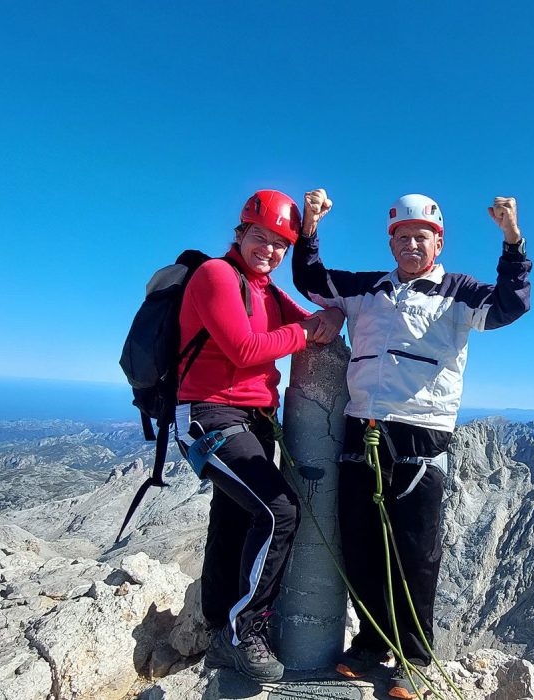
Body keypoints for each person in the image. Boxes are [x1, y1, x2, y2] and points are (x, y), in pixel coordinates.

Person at [292, 190, 531, 698]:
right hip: (363, 428)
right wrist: (310, 225)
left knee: (416, 553)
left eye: (422, 236)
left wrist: (512, 241)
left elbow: (511, 305)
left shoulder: (457, 292)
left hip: (421, 435)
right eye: (403, 236)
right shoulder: (367, 289)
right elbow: (311, 280)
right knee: (361, 544)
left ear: (438, 242)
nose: (412, 245)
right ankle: (370, 644)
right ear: (391, 242)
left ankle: (415, 656)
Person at [177, 189, 343, 681]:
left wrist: (324, 320)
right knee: (279, 509)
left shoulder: (265, 288)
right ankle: (242, 632)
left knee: (234, 517)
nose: (269, 250)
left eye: (280, 244)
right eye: (261, 237)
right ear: (240, 233)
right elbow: (245, 348)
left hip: (251, 418)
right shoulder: (215, 276)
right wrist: (307, 334)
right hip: (210, 416)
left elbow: (310, 318)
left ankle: (216, 621)